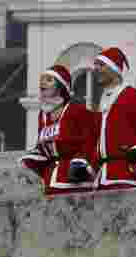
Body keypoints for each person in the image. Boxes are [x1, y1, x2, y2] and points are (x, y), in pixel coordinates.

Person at [19, 64, 97, 197]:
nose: (43, 83)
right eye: (42, 79)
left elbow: (91, 140)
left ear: (61, 87)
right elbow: (43, 146)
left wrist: (83, 163)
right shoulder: (43, 116)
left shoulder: (75, 111)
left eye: (49, 80)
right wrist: (32, 158)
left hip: (74, 180)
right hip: (51, 179)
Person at [91, 47, 136, 191]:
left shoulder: (133, 96)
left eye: (101, 65)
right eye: (95, 65)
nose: (96, 69)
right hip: (102, 180)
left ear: (114, 69)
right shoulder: (102, 101)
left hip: (126, 177)